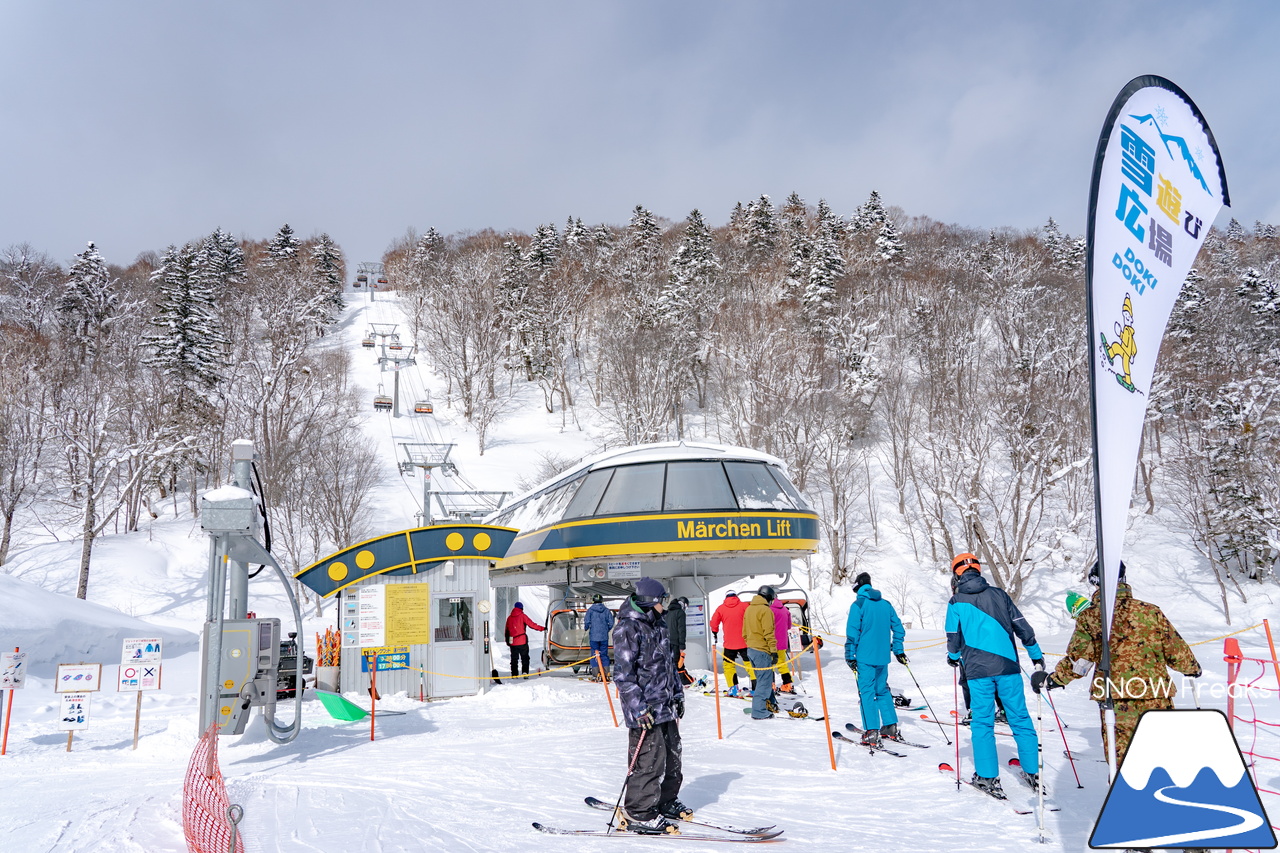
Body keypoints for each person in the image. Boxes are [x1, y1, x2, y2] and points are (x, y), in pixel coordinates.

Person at [1032, 560, 1201, 766]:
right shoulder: (1151, 611)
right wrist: (1192, 668)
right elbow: (1175, 649)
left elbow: (1081, 660)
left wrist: (1053, 680)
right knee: (1162, 753)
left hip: (1116, 698)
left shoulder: (1091, 615)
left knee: (1124, 758)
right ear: (1123, 579)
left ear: (1095, 582)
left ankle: (1127, 795)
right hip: (1156, 694)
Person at [945, 552, 1045, 797]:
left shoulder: (956, 602)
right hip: (1008, 667)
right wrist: (1035, 654)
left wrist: (954, 657)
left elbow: (953, 638)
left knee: (982, 722)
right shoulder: (1000, 594)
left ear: (957, 573)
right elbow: (1022, 626)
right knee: (1020, 717)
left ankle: (988, 778)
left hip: (978, 671)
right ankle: (1033, 772)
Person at [612, 577, 689, 834]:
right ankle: (640, 812)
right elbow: (623, 675)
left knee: (672, 757)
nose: (664, 605)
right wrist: (638, 708)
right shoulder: (628, 628)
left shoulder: (659, 624)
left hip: (665, 705)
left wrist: (677, 694)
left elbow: (668, 664)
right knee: (649, 762)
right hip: (645, 710)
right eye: (662, 600)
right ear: (650, 602)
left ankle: (665, 801)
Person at [845, 571, 907, 745]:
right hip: (882, 658)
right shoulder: (886, 604)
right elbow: (898, 628)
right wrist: (898, 649)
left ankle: (871, 731)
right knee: (882, 690)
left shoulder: (858, 604)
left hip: (865, 658)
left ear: (858, 586)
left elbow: (852, 633)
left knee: (866, 693)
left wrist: (850, 655)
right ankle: (890, 726)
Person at [950, 572, 1006, 726]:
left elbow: (955, 631)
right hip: (993, 648)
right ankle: (1004, 709)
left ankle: (975, 711)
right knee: (993, 677)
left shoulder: (958, 602)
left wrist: (953, 654)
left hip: (970, 651)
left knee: (968, 680)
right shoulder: (984, 597)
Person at [743, 585, 779, 720]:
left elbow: (744, 633)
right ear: (768, 597)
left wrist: (751, 644)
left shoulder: (749, 609)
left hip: (751, 649)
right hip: (762, 650)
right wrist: (773, 651)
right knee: (764, 681)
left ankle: (770, 703)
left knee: (762, 679)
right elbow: (769, 633)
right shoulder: (765, 611)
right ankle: (759, 711)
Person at [709, 591, 753, 697]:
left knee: (728, 666)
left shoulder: (721, 608)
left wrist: (715, 632)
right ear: (736, 596)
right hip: (745, 642)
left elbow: (714, 622)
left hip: (729, 643)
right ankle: (755, 689)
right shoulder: (744, 606)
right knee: (750, 665)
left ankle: (733, 688)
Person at [504, 602, 545, 679]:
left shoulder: (509, 618)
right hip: (522, 641)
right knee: (525, 658)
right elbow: (532, 625)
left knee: (514, 659)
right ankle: (525, 672)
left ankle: (514, 674)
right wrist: (542, 628)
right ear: (521, 608)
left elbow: (507, 631)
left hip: (513, 642)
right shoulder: (523, 616)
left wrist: (507, 641)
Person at [584, 593, 615, 682]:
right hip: (604, 636)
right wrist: (606, 630)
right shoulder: (606, 610)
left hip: (594, 636)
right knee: (604, 654)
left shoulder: (590, 610)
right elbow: (611, 622)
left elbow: (587, 622)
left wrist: (586, 628)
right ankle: (606, 673)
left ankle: (596, 674)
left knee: (595, 655)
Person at [768, 594, 795, 693]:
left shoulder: (769, 610)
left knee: (769, 664)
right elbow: (789, 626)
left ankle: (771, 685)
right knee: (782, 663)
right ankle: (787, 684)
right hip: (783, 641)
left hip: (771, 642)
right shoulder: (785, 610)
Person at [665, 596, 694, 686]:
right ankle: (683, 680)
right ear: (683, 604)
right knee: (678, 664)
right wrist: (682, 646)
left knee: (669, 663)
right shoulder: (680, 613)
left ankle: (669, 681)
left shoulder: (668, 612)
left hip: (666, 642)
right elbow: (681, 630)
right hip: (676, 643)